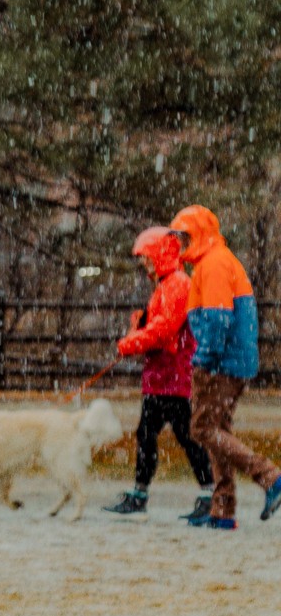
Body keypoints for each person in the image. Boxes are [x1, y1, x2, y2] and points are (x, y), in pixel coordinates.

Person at [171, 205, 281, 529]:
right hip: (233, 361)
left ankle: (270, 476)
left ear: (197, 234)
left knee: (202, 429)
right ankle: (223, 510)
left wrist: (204, 359)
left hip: (220, 364)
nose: (178, 243)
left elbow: (218, 319)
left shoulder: (214, 264)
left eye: (183, 236)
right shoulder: (218, 260)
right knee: (218, 430)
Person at [104, 227, 213, 517]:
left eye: (147, 257)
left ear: (160, 255)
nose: (144, 264)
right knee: (155, 434)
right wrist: (139, 326)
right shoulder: (167, 284)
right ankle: (146, 493)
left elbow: (164, 330)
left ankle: (206, 494)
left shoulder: (177, 284)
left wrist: (131, 342)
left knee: (181, 435)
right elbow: (159, 326)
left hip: (173, 376)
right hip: (164, 376)